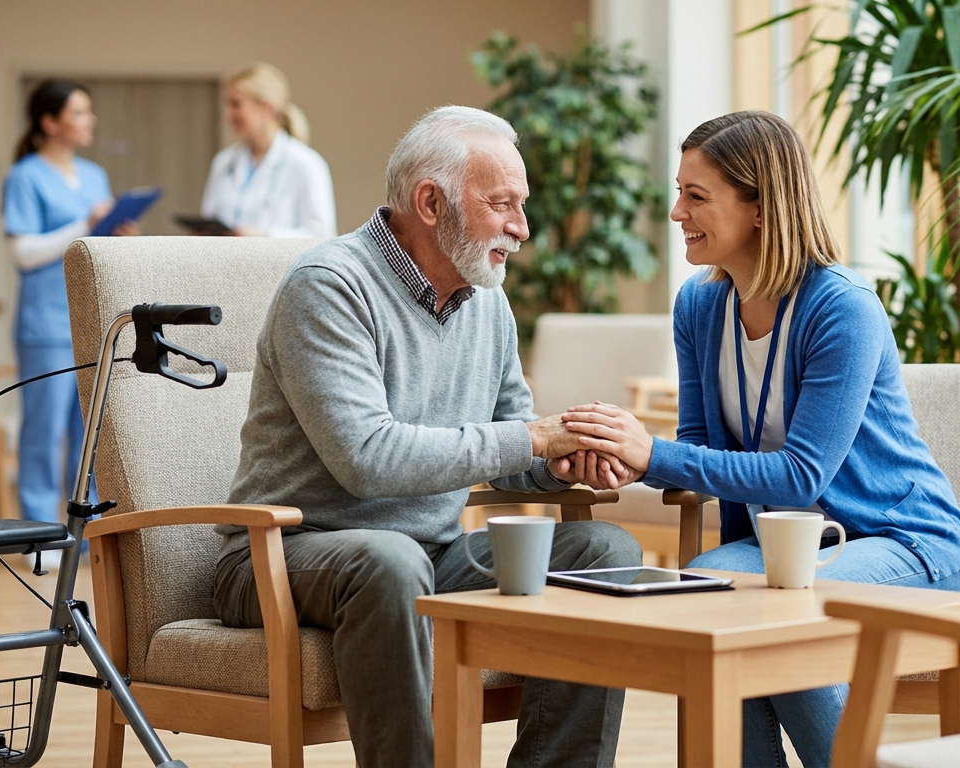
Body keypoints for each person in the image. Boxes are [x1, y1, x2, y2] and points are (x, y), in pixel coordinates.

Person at [212, 106, 641, 768]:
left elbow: (511, 450)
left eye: (519, 207)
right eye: (502, 205)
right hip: (282, 556)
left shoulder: (486, 300)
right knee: (388, 560)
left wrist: (563, 461)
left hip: (429, 553)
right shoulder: (329, 287)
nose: (521, 229)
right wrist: (532, 437)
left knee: (604, 549)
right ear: (431, 202)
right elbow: (368, 460)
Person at [561, 110, 960, 767]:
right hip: (787, 553)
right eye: (679, 192)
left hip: (901, 542)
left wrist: (655, 452)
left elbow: (802, 475)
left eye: (696, 197)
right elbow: (699, 446)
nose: (676, 213)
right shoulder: (700, 306)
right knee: (706, 591)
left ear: (760, 206)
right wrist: (628, 460)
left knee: (783, 624)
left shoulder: (842, 307)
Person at [2, 79, 135, 526]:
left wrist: (115, 233)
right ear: (50, 122)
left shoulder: (95, 176)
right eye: (79, 112)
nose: (90, 119)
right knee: (43, 431)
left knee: (91, 434)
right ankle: (37, 529)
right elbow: (23, 254)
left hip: (92, 320)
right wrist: (86, 221)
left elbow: (92, 242)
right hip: (46, 325)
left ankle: (89, 527)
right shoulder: (25, 177)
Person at [200, 62, 337, 239]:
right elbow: (209, 219)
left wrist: (264, 236)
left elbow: (322, 235)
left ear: (266, 108)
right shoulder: (223, 162)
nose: (227, 114)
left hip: (279, 266)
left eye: (236, 104)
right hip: (225, 264)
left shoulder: (307, 164)